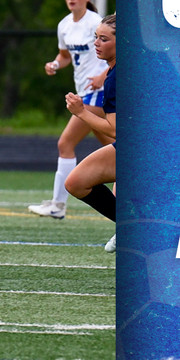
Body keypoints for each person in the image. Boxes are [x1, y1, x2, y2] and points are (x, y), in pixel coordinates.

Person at [28, 0, 113, 220]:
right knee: (113, 146)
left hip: (97, 93)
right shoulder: (65, 25)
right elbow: (65, 55)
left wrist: (102, 75)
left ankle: (57, 205)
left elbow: (119, 52)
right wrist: (55, 63)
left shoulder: (95, 22)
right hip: (84, 92)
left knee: (65, 143)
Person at [64, 14, 117, 252]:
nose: (96, 43)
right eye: (95, 37)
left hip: (148, 149)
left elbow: (115, 130)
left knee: (76, 183)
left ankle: (137, 229)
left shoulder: (116, 78)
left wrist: (81, 111)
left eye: (103, 39)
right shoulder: (117, 72)